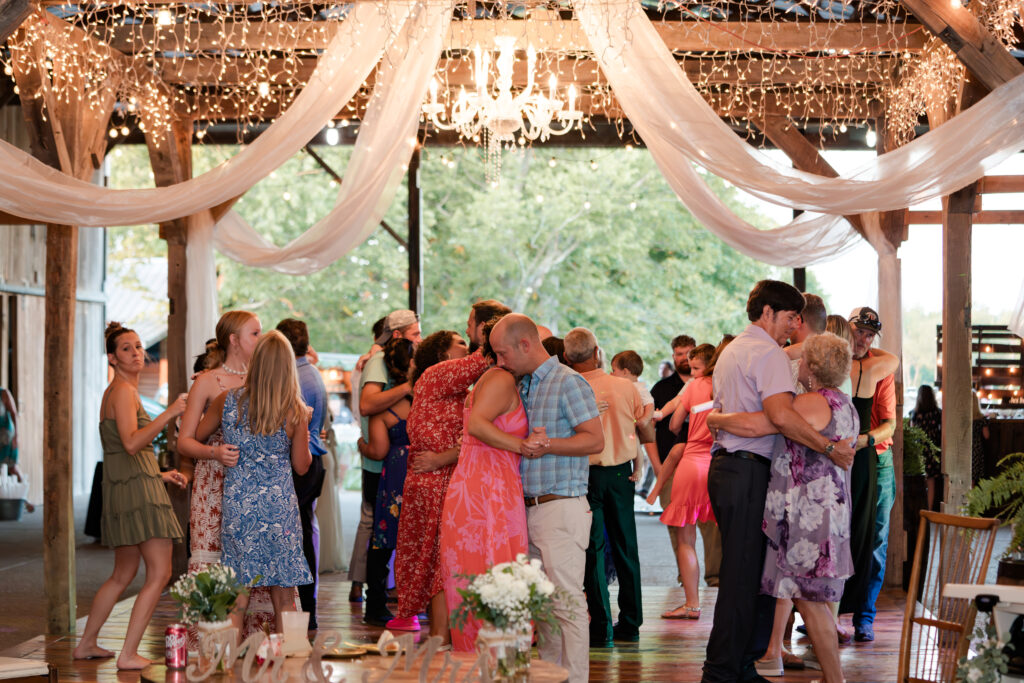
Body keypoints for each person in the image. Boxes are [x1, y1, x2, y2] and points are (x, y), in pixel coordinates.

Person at [702, 280, 855, 683]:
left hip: (731, 468)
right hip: (748, 469)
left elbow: (774, 418)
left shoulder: (733, 348)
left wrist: (716, 420)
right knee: (743, 577)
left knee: (748, 575)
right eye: (790, 317)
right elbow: (779, 419)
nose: (793, 327)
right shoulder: (767, 354)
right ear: (768, 312)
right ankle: (722, 671)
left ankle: (739, 666)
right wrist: (828, 447)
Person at [490, 314, 604, 683]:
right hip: (528, 508)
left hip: (561, 506)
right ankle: (554, 676)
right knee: (544, 608)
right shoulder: (523, 384)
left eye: (502, 353)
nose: (499, 362)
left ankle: (575, 678)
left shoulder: (567, 381)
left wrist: (547, 444)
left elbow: (594, 440)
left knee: (568, 604)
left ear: (526, 344)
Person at [73, 322, 188, 670]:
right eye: (126, 348)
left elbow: (128, 452)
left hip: (129, 486)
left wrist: (160, 473)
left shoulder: (122, 391)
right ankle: (128, 654)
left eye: (138, 346)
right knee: (160, 572)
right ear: (112, 358)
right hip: (136, 493)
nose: (137, 352)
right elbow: (131, 442)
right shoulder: (122, 391)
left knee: (123, 573)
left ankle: (87, 643)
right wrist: (170, 413)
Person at [196, 330, 312, 636]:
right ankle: (291, 666)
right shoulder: (295, 411)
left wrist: (219, 451)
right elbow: (302, 466)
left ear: (256, 362)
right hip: (279, 512)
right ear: (288, 366)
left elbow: (196, 435)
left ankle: (226, 667)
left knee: (236, 597)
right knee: (285, 598)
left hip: (239, 507)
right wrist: (306, 430)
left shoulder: (227, 401)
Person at [176, 310, 279, 642]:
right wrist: (214, 452)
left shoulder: (264, 379)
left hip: (255, 487)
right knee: (218, 558)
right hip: (215, 485)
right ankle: (211, 641)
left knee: (252, 557)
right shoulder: (209, 381)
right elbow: (185, 441)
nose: (260, 339)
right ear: (234, 340)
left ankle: (253, 640)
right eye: (255, 333)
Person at [389, 328, 486, 639]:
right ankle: (441, 637)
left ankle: (441, 636)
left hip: (436, 477)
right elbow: (483, 359)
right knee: (441, 556)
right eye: (461, 343)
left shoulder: (455, 391)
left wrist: (448, 456)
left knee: (437, 557)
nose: (468, 346)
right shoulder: (436, 374)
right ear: (444, 355)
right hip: (434, 481)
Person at [440, 317, 527, 651]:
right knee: (490, 579)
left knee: (487, 579)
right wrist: (522, 445)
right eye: (499, 351)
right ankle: (488, 664)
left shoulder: (495, 379)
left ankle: (487, 662)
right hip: (488, 491)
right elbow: (476, 425)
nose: (503, 358)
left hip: (487, 484)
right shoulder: (499, 379)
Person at [564, 328, 644, 646]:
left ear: (568, 357)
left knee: (593, 552)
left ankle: (600, 627)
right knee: (626, 548)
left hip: (586, 475)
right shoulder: (625, 386)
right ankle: (631, 622)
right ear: (597, 351)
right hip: (621, 475)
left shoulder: (571, 387)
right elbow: (641, 425)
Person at [349, 310, 421, 604]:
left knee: (386, 528)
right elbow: (367, 404)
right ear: (397, 335)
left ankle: (384, 589)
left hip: (392, 458)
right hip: (379, 462)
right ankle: (368, 588)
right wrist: (407, 388)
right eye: (415, 334)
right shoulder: (378, 362)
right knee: (375, 526)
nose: (419, 339)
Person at [839, 307, 898, 643]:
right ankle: (827, 610)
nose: (862, 339)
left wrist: (864, 440)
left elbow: (890, 422)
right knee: (839, 533)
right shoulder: (834, 360)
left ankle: (865, 616)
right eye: (858, 331)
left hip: (876, 456)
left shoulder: (881, 366)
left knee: (875, 538)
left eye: (868, 334)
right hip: (839, 457)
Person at [647, 342, 719, 620]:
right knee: (726, 538)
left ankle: (692, 604)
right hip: (721, 465)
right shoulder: (727, 384)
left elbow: (675, 425)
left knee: (685, 538)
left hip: (692, 463)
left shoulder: (694, 386)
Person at [276, 319, 328, 631]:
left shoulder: (295, 377)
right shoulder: (310, 371)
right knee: (303, 534)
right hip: (312, 459)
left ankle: (304, 609)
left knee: (298, 539)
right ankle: (305, 608)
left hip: (303, 462)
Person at [359, 337, 414, 626]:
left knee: (382, 543)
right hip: (420, 475)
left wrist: (361, 445)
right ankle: (415, 603)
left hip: (394, 478)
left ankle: (376, 604)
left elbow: (378, 450)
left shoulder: (385, 412)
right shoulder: (424, 405)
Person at [649, 334, 697, 584]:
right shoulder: (661, 389)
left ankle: (715, 579)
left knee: (711, 528)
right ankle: (685, 578)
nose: (684, 359)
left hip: (702, 463)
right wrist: (658, 467)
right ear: (673, 356)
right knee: (676, 525)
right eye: (679, 354)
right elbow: (648, 431)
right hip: (671, 466)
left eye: (689, 353)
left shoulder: (712, 383)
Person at [610, 350, 660, 491]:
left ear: (625, 372)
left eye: (614, 370)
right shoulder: (621, 386)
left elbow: (650, 403)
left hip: (634, 424)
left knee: (636, 444)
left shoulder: (638, 387)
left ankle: (638, 469)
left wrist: (644, 419)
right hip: (625, 423)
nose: (612, 374)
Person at [0, 386, 21, 481]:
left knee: (12, 468)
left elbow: (14, 413)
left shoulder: (4, 393)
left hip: (7, 439)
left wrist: (16, 437)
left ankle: (23, 489)